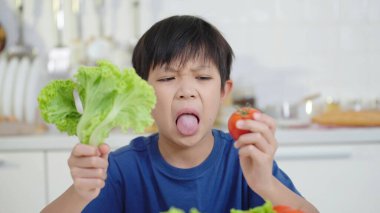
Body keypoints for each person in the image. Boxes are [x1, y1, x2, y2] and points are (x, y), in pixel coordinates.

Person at [41, 15, 318, 213]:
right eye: (167, 78)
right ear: (142, 95)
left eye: (203, 77)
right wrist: (80, 192)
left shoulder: (244, 163)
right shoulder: (121, 169)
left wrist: (265, 183)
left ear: (224, 91)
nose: (187, 91)